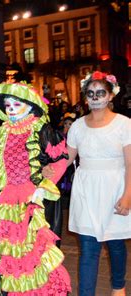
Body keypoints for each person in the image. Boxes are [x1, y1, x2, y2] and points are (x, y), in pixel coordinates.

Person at [0, 82, 71, 295]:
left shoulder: (41, 129)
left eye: (16, 103)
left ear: (30, 105)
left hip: (36, 200)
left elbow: (61, 160)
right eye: (7, 105)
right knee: (15, 248)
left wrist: (44, 187)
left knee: (37, 250)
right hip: (10, 200)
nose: (11, 109)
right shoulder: (4, 131)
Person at [58, 71, 130, 296]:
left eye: (101, 93)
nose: (95, 97)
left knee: (116, 244)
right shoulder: (78, 126)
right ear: (85, 97)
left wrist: (127, 195)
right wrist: (46, 177)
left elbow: (130, 164)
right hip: (86, 190)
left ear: (110, 96)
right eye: (90, 93)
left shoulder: (124, 124)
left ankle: (118, 285)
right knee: (88, 249)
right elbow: (67, 159)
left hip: (115, 188)